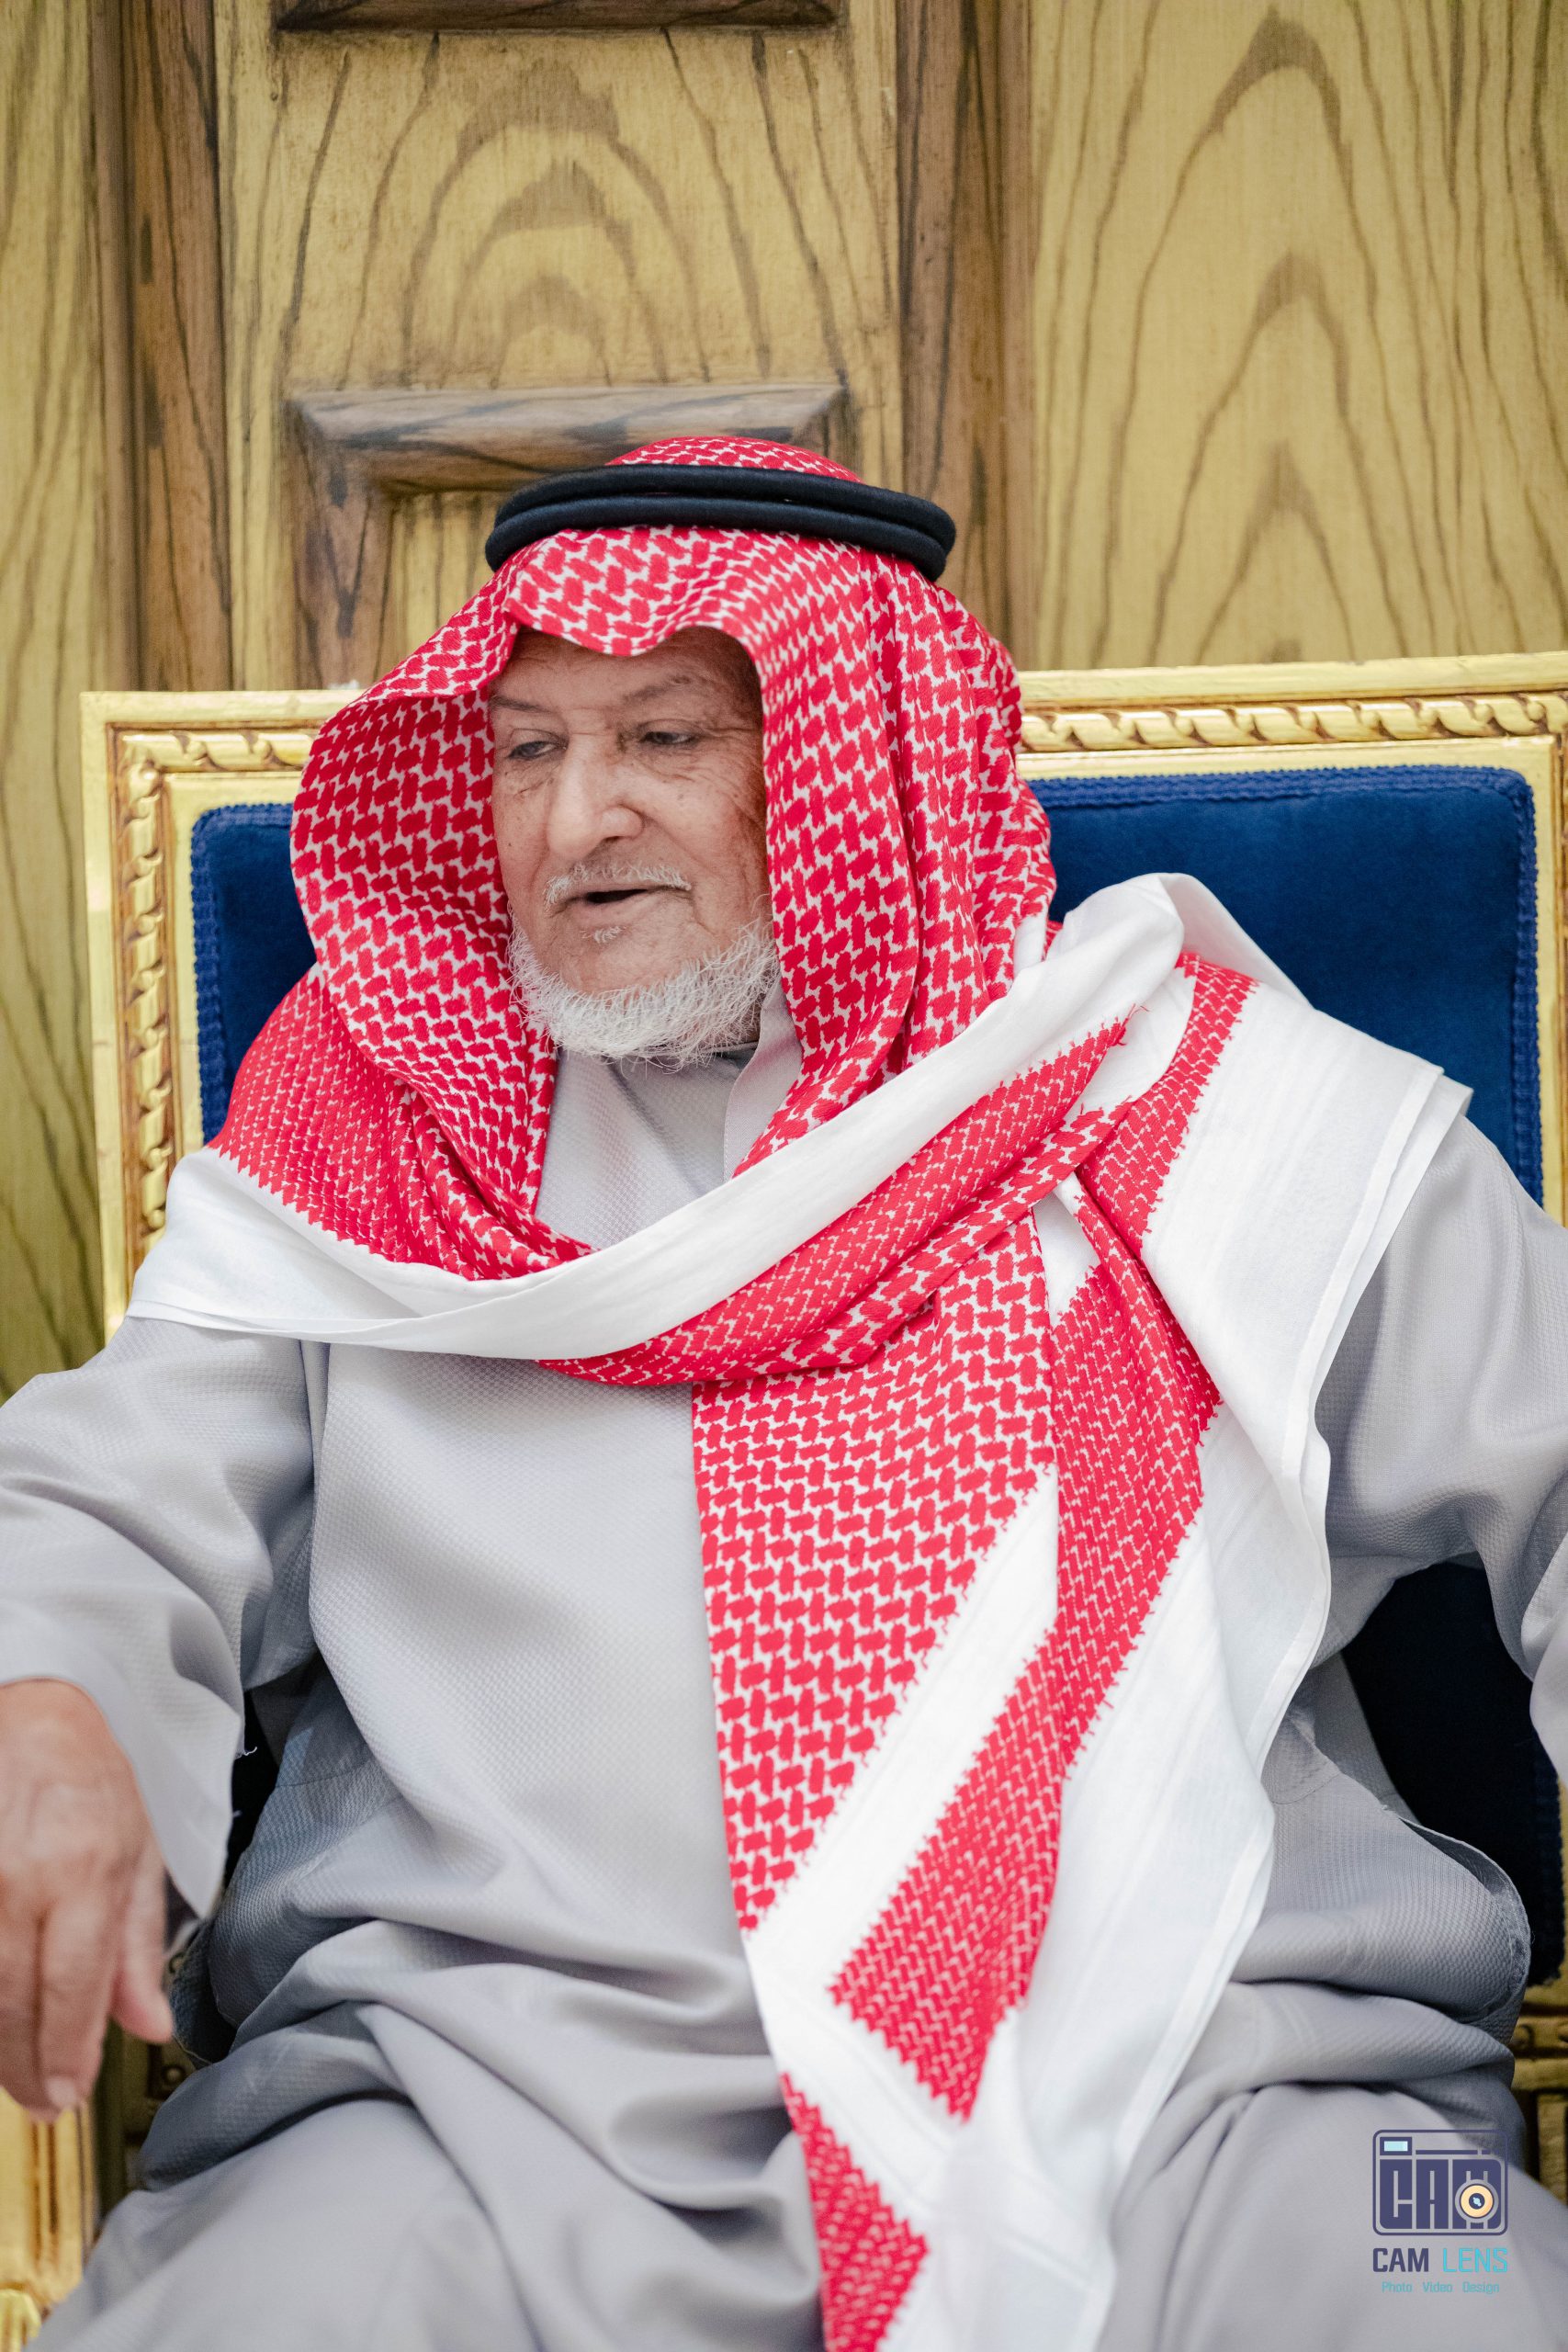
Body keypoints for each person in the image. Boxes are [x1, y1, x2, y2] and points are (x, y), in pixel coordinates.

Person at [1, 435, 1567, 2352]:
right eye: (524, 749)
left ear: (852, 764)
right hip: (481, 2097)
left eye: (662, 737)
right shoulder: (380, 1125)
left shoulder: (1205, 1097)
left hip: (1235, 2084)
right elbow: (114, 1496)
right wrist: (48, 1695)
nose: (572, 821)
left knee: (1467, 2295)